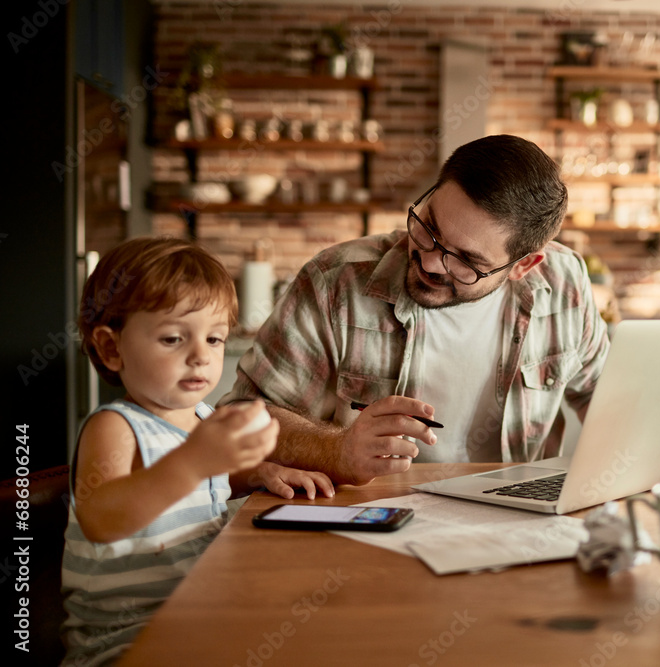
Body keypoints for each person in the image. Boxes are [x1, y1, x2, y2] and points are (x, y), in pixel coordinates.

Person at [223, 134, 610, 485]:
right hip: (371, 516)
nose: (429, 263)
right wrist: (335, 449)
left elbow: (608, 398)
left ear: (523, 266)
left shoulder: (564, 283)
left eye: (465, 261)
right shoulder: (335, 282)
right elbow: (239, 418)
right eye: (430, 228)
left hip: (518, 519)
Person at [62, 237, 333, 667]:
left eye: (214, 338)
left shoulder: (203, 417)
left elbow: (211, 483)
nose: (200, 357)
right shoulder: (115, 427)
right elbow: (100, 517)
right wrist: (193, 462)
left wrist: (259, 473)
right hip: (127, 638)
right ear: (111, 348)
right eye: (173, 339)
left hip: (199, 614)